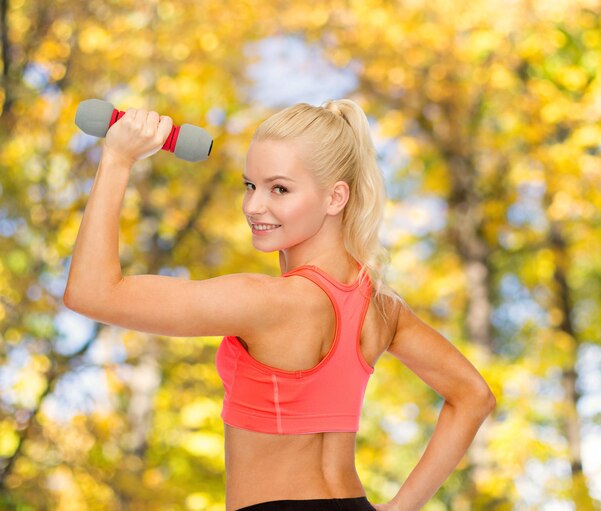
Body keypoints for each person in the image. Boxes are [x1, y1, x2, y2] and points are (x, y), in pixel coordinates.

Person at [64, 99, 496, 511]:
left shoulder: (269, 302)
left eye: (280, 189)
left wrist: (117, 160)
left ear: (335, 198)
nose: (254, 206)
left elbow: (92, 292)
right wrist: (403, 506)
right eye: (250, 185)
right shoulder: (380, 307)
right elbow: (473, 396)